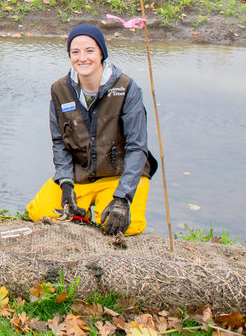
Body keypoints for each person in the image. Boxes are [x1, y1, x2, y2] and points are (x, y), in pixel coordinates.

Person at [25, 25, 157, 237]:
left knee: (124, 225)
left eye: (89, 50)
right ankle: (80, 211)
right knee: (39, 213)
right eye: (75, 52)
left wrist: (122, 198)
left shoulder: (128, 88)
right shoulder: (60, 90)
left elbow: (137, 148)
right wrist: (66, 183)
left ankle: (111, 204)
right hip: (81, 175)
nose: (82, 58)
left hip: (119, 175)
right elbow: (59, 143)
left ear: (101, 53)